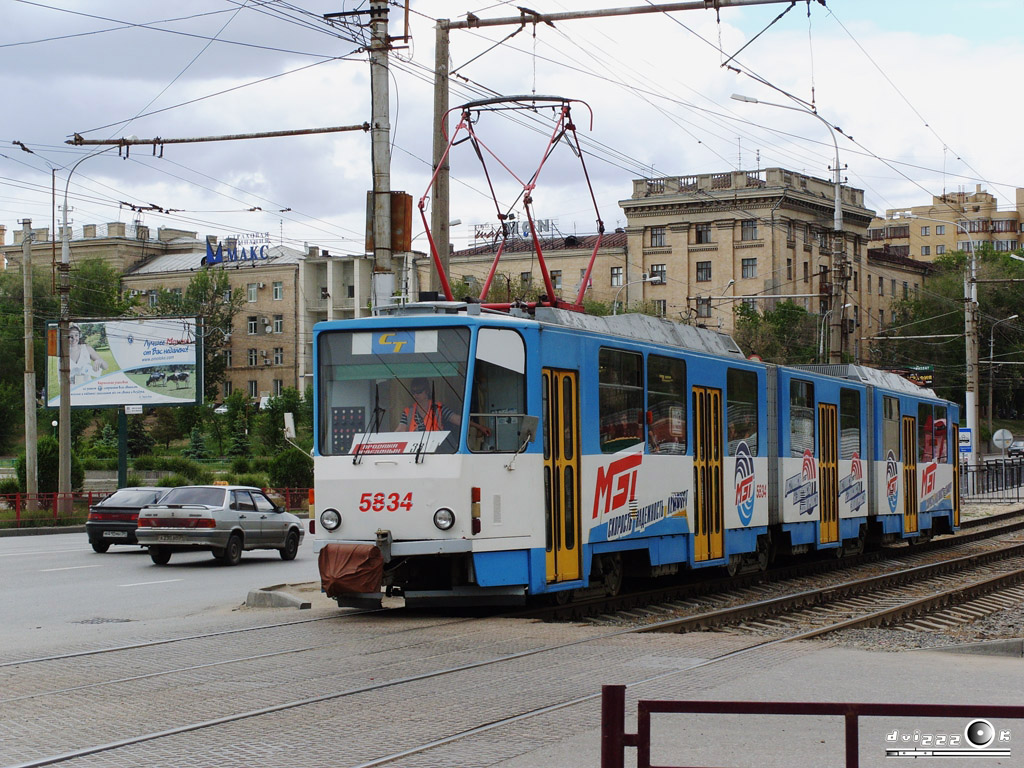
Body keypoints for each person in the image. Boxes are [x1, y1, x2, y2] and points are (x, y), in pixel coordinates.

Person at [399, 378, 491, 438]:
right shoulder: (408, 411)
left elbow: (458, 420)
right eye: (413, 392)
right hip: (413, 451)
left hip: (436, 448)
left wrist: (479, 426)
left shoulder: (438, 408)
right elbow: (400, 429)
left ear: (426, 391)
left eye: (418, 392)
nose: (415, 395)